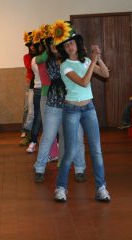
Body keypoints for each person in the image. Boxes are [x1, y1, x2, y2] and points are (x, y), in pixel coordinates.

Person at [52, 20, 111, 202]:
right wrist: (92, 61)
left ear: (78, 44)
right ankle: (60, 188)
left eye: (72, 43)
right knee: (70, 150)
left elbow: (106, 74)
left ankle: (101, 188)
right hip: (71, 110)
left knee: (96, 150)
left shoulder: (86, 61)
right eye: (67, 44)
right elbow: (85, 82)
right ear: (64, 48)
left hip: (89, 109)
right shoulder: (65, 66)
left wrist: (97, 57)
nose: (70, 46)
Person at [33, 32, 86, 183]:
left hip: (73, 103)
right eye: (51, 44)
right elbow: (56, 76)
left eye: (56, 43)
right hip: (54, 103)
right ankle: (39, 168)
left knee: (78, 137)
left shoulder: (71, 59)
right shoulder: (50, 61)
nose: (53, 46)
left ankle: (80, 169)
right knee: (48, 137)